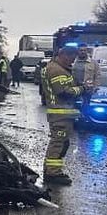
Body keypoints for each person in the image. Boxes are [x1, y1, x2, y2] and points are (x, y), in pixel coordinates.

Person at [41, 43, 81, 185]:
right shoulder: (56, 70)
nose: (72, 61)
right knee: (59, 143)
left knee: (61, 142)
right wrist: (81, 90)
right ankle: (53, 173)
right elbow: (64, 92)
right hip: (60, 114)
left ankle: (50, 170)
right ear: (64, 55)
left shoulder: (58, 68)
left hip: (62, 113)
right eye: (71, 58)